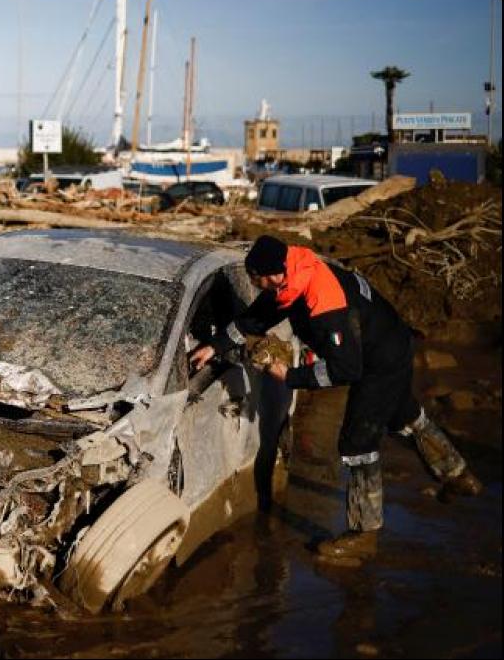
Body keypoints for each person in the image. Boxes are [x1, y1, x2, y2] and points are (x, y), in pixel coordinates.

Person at [189, 235, 482, 560]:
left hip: (377, 361)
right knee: (402, 414)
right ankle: (457, 474)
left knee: (358, 443)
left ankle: (363, 534)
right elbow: (258, 316)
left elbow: (346, 370)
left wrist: (291, 376)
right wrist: (214, 346)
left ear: (271, 275)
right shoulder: (295, 274)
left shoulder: (322, 303)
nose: (255, 286)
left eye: (255, 280)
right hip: (389, 340)